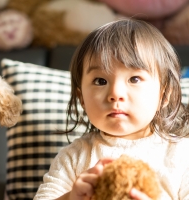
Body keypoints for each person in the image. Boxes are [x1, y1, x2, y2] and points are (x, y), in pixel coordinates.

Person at [34, 19, 189, 200]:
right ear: (81, 98)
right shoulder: (74, 156)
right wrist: (71, 197)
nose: (115, 94)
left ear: (163, 95)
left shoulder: (181, 154)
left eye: (134, 79)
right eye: (101, 81)